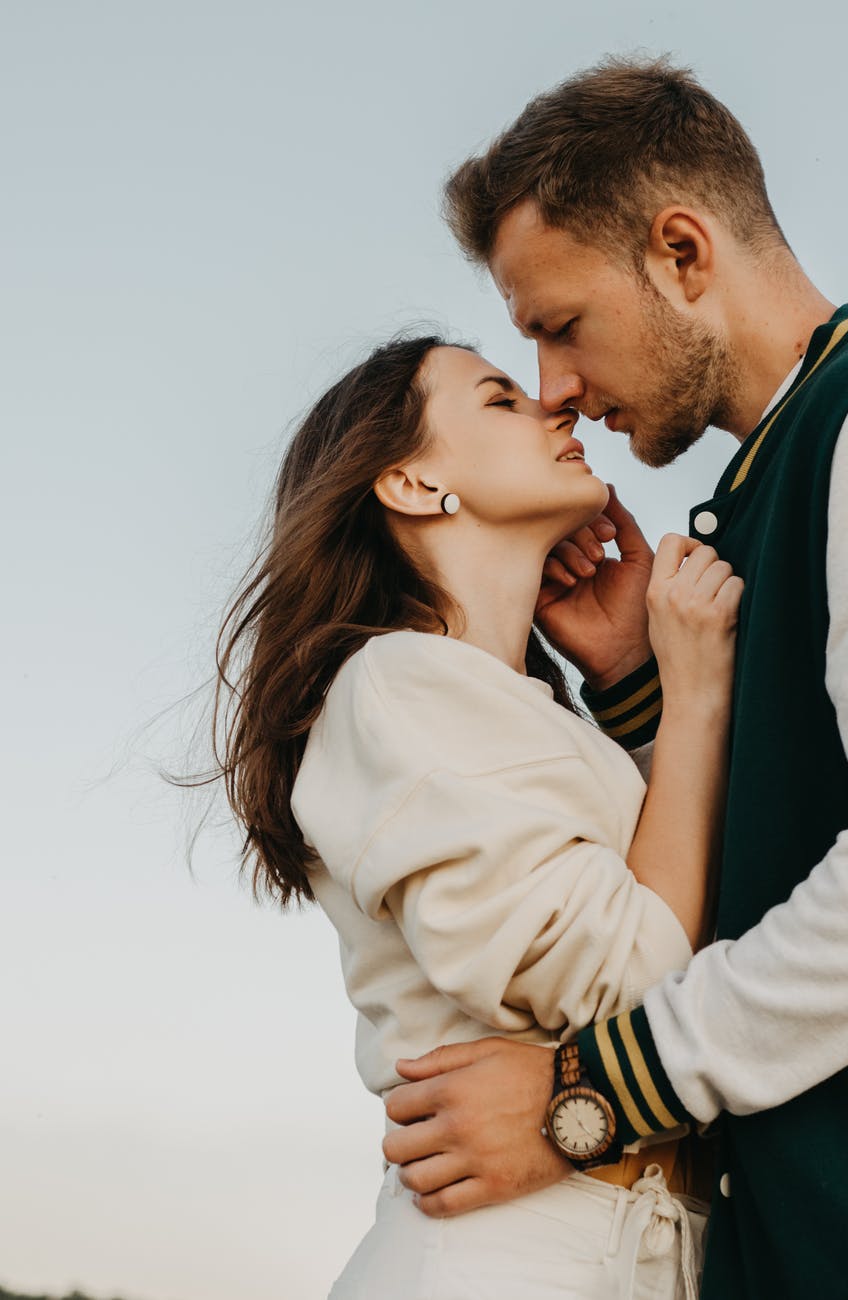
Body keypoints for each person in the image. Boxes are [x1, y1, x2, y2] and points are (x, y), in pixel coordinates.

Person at [381, 57, 848, 1300]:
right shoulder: (752, 492)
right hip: (803, 1250)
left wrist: (591, 1093)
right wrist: (641, 687)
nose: (554, 389)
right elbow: (777, 853)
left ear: (681, 253)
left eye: (559, 326)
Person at [210, 330, 746, 1297]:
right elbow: (634, 973)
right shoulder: (397, 683)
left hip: (624, 1242)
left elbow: (692, 908)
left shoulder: (505, 706)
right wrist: (697, 689)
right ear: (412, 484)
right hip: (511, 1255)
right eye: (500, 398)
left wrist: (630, 678)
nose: (555, 406)